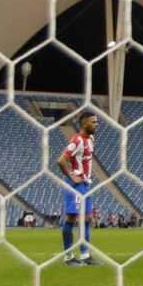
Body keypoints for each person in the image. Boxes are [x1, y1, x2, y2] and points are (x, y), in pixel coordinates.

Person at [57, 109, 101, 266]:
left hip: (85, 184)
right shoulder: (77, 140)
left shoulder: (91, 139)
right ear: (84, 124)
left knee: (87, 218)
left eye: (96, 121)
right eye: (93, 122)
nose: (97, 124)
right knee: (72, 217)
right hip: (75, 184)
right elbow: (61, 160)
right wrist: (72, 177)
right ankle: (68, 257)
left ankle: (85, 255)